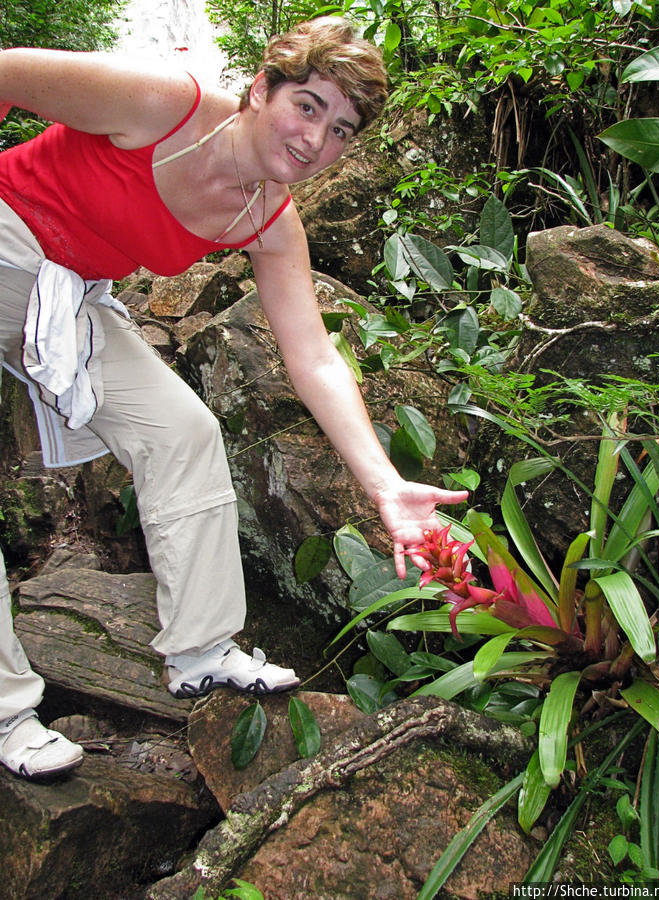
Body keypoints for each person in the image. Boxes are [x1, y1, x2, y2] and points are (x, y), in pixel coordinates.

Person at [0, 17, 468, 780]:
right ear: (260, 88)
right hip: (6, 236)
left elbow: (312, 356)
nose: (318, 140)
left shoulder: (271, 222)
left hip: (68, 297)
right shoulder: (162, 104)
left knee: (183, 431)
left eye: (342, 129)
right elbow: (8, 72)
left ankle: (201, 648)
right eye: (308, 106)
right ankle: (8, 714)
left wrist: (383, 484)